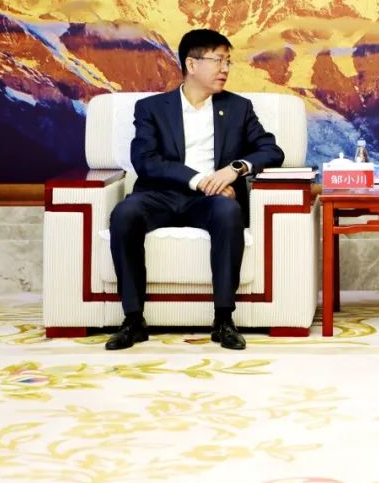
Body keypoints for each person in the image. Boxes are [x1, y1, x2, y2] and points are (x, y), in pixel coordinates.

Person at [105, 29, 284, 351]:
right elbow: (146, 160)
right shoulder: (152, 108)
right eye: (218, 61)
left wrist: (235, 169)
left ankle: (224, 319)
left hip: (212, 200)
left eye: (228, 62)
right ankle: (133, 320)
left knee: (228, 211)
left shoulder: (238, 108)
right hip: (160, 195)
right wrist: (199, 179)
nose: (225, 69)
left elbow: (271, 150)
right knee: (124, 214)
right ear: (191, 64)